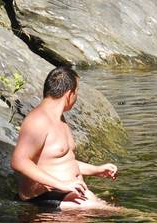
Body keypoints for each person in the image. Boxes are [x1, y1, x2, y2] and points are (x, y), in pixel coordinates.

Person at [11, 65, 117, 209]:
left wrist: (96, 170)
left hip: (65, 194)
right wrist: (62, 185)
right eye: (77, 92)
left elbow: (60, 161)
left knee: (106, 207)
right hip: (43, 197)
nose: (77, 97)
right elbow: (19, 161)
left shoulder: (59, 118)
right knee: (114, 212)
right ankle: (152, 219)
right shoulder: (38, 120)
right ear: (69, 94)